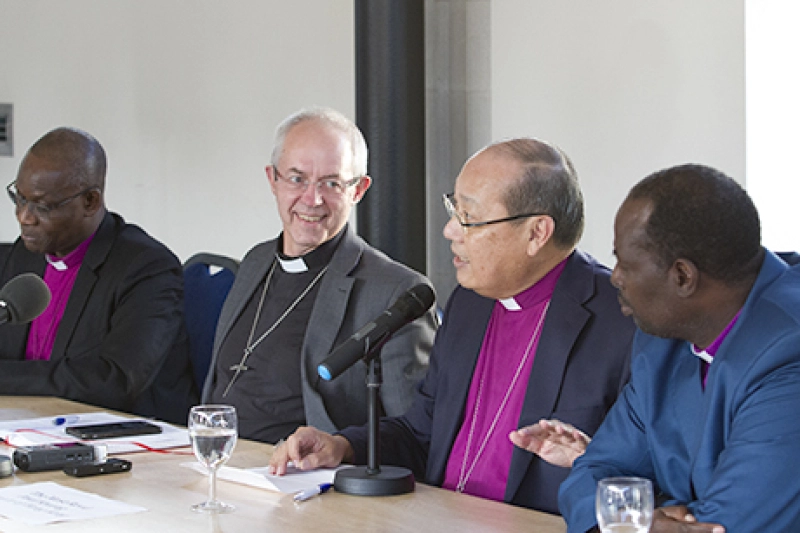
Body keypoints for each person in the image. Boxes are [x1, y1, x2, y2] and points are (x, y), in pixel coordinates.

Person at [269, 137, 636, 514]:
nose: (450, 231)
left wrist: (591, 458)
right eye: (453, 209)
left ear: (537, 233)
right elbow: (421, 433)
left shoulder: (622, 322)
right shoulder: (471, 302)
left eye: (469, 218)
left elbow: (646, 477)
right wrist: (342, 446)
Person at [559, 164, 800, 533]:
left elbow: (732, 523)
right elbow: (592, 475)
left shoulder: (788, 350)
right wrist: (646, 522)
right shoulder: (661, 337)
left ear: (683, 276)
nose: (616, 278)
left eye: (625, 263)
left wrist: (640, 519)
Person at [202, 107, 437, 444]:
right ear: (273, 179)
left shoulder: (395, 291)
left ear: (358, 190)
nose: (312, 200)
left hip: (304, 480)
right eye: (297, 179)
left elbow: (414, 434)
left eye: (331, 183)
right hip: (217, 462)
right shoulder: (257, 261)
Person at [0, 127, 196, 424]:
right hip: (28, 426)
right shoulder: (25, 253)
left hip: (124, 440)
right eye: (20, 199)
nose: (24, 217)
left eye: (41, 206)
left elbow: (116, 380)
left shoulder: (146, 267)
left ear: (90, 202)